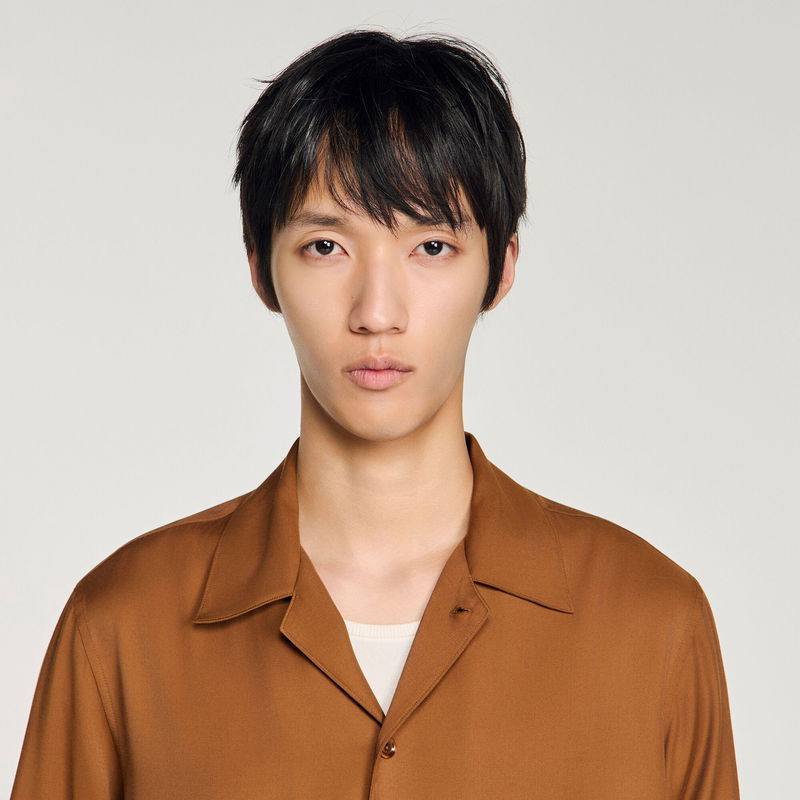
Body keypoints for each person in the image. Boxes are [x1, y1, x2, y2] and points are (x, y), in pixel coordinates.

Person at [11, 29, 740, 799]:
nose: (377, 312)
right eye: (327, 246)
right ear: (261, 268)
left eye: (432, 247)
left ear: (501, 267)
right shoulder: (123, 626)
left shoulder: (652, 623)